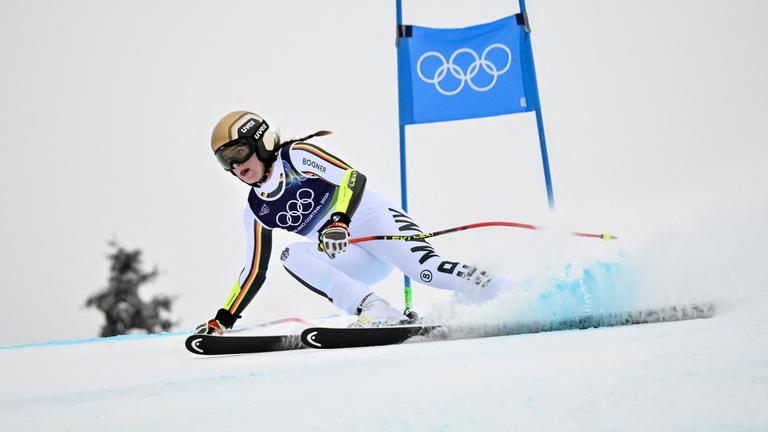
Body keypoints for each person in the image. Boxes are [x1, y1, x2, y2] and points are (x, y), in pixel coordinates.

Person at [195, 111, 506, 335]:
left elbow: (352, 178)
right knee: (292, 255)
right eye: (226, 160)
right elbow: (253, 270)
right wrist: (225, 318)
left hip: (376, 224)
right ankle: (374, 309)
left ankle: (505, 291)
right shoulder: (256, 208)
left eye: (239, 151)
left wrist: (340, 221)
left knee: (427, 271)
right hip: (348, 254)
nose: (236, 164)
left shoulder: (296, 157)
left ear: (260, 143)